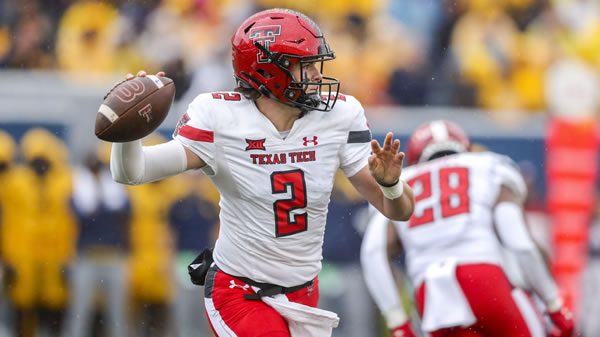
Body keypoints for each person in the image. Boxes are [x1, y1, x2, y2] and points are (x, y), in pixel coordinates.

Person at [109, 8, 414, 337]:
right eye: (305, 65)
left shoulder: (340, 115)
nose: (316, 74)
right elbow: (133, 172)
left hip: (303, 293)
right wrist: (128, 132)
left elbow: (399, 210)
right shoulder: (220, 117)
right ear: (270, 71)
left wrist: (391, 185)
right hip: (240, 291)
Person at [360, 120, 575, 337]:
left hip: (433, 298)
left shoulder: (401, 181)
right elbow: (519, 243)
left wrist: (398, 321)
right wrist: (553, 303)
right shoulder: (487, 166)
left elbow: (373, 254)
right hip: (484, 279)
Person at [63, 143, 131, 337]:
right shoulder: (78, 188)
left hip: (114, 256)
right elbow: (81, 213)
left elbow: (126, 211)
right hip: (88, 256)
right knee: (79, 312)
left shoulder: (117, 189)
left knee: (118, 313)